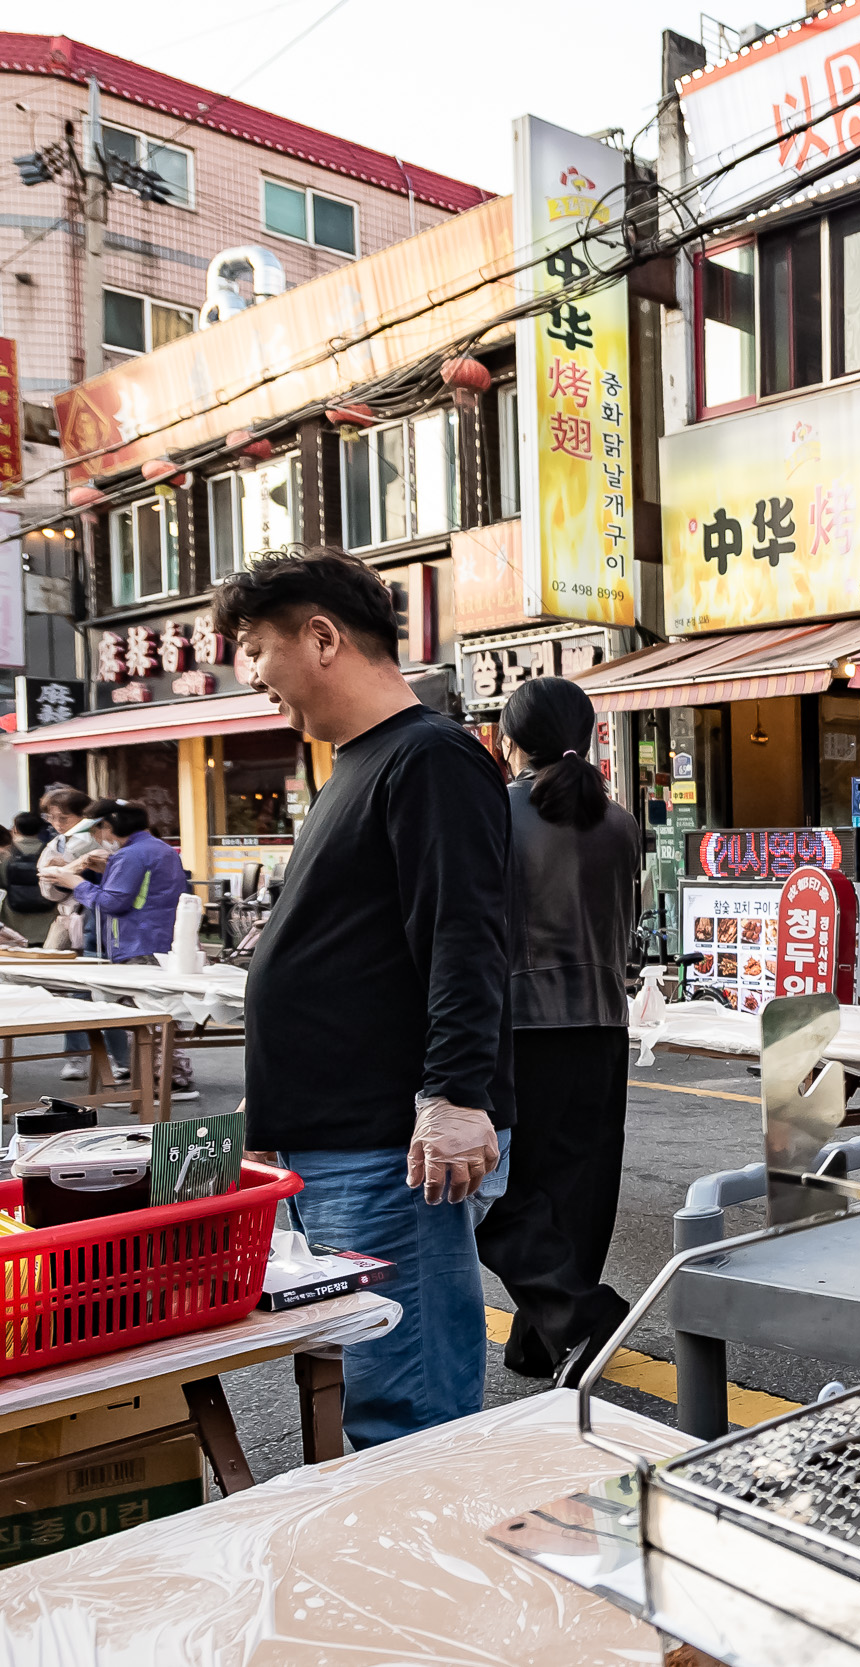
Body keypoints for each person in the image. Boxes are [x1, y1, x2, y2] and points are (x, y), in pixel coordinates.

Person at [217, 550, 513, 1448]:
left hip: (390, 1148)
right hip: (337, 1137)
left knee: (408, 1409)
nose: (250, 673)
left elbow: (466, 935)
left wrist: (457, 1097)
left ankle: (434, 1580)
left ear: (321, 636)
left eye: (255, 647)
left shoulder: (429, 758)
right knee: (369, 1385)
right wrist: (275, 1100)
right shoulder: (356, 762)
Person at [475, 675, 642, 1385]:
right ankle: (543, 1339)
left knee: (495, 1193)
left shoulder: (495, 811)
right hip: (602, 1021)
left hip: (523, 1024)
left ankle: (580, 1317)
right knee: (580, 1186)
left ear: (509, 741)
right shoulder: (620, 821)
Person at [69, 799, 200, 1099]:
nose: (96, 836)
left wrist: (74, 881)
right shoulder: (159, 849)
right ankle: (169, 1077)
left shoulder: (131, 855)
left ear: (110, 826)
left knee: (147, 1018)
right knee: (162, 1014)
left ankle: (161, 1082)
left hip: (138, 941)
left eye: (97, 828)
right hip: (158, 940)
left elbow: (114, 902)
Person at [33, 788, 100, 1079]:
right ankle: (79, 1056)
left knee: (88, 990)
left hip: (89, 918)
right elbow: (46, 883)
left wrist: (66, 871)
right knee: (75, 989)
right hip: (67, 918)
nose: (58, 823)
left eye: (65, 817)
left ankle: (102, 1058)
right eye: (52, 817)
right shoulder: (57, 842)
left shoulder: (92, 841)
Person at [4, 813, 55, 946]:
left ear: (15, 829)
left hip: (14, 918)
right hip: (47, 919)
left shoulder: (6, 853)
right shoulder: (51, 850)